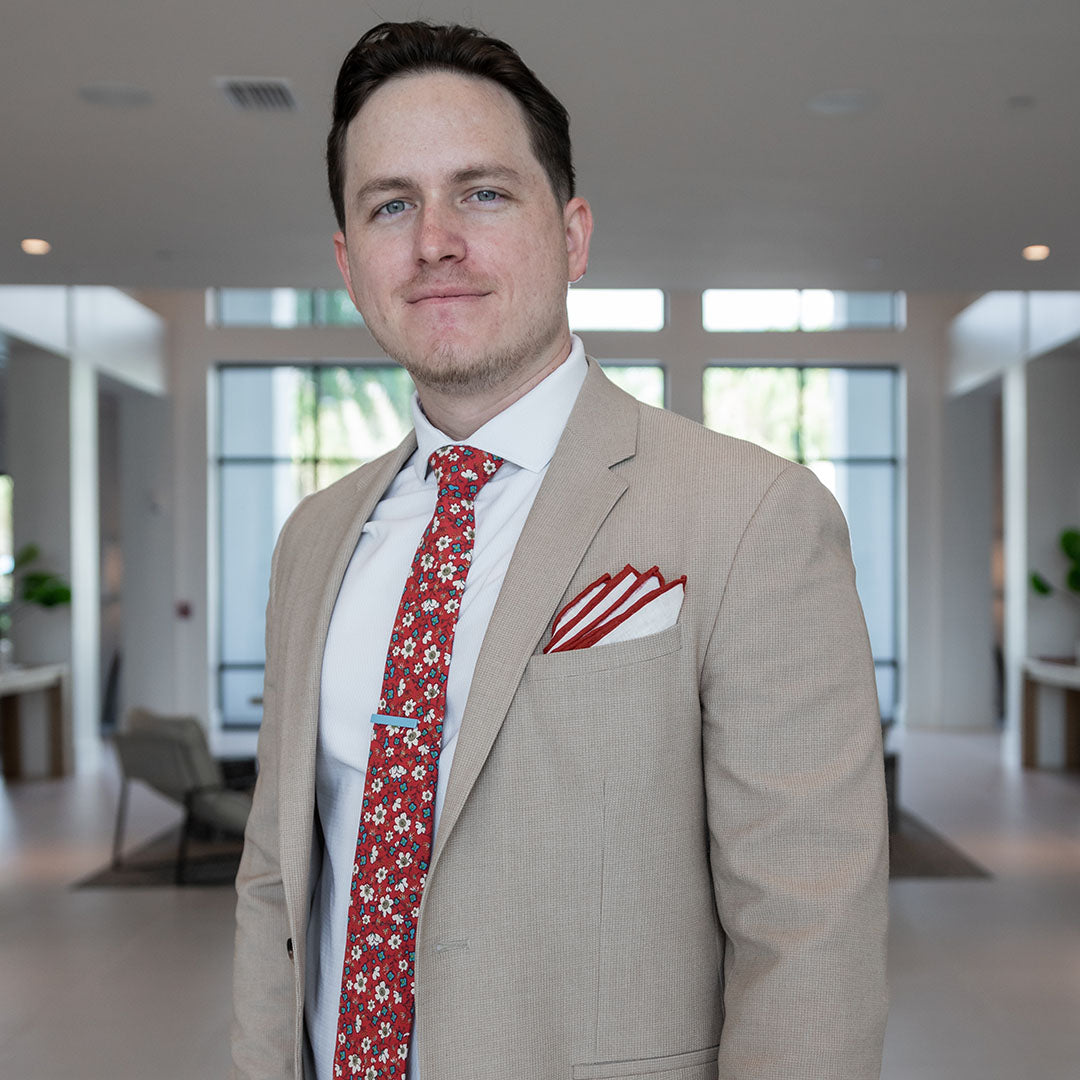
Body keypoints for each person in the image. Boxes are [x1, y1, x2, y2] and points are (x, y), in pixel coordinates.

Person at [231, 20, 888, 1080]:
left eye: (483, 193)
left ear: (573, 235)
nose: (435, 238)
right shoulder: (315, 540)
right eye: (391, 204)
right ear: (350, 262)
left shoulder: (753, 515)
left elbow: (811, 939)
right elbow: (277, 881)